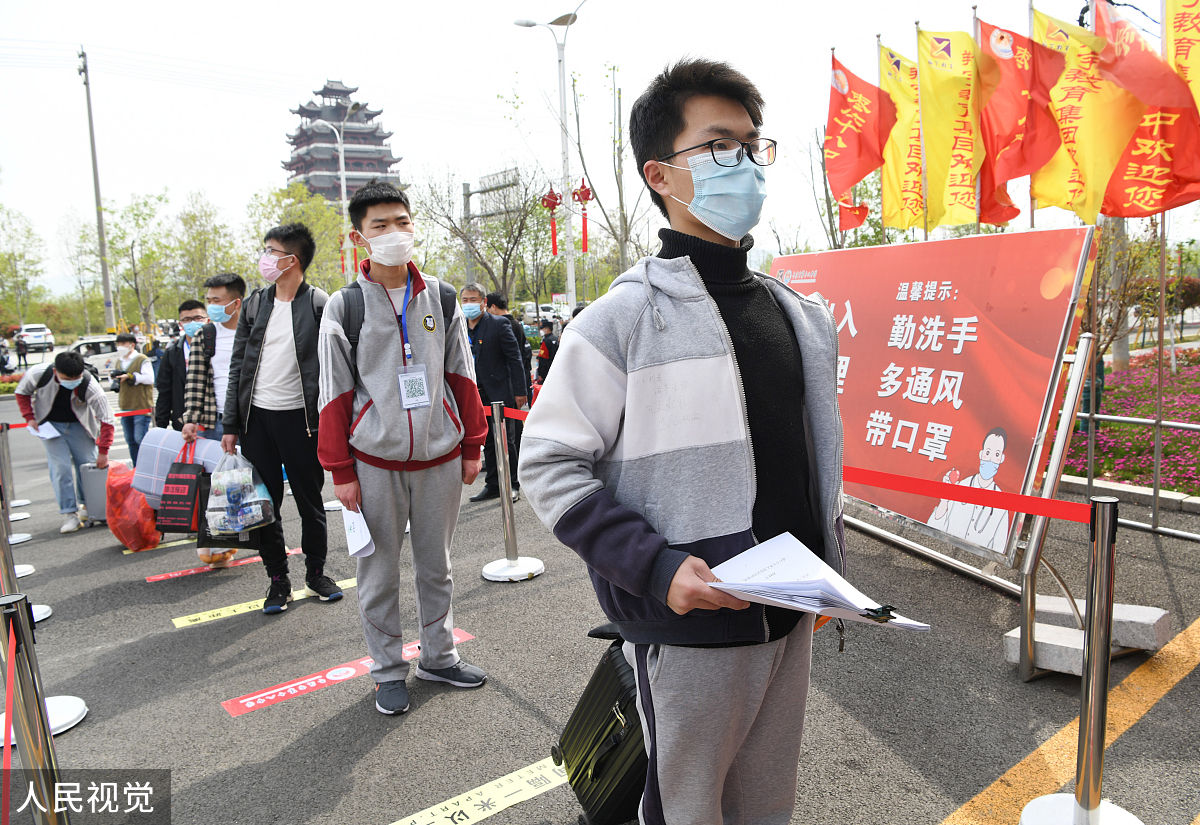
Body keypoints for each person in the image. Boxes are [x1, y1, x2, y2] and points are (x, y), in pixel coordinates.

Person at [519, 58, 847, 825]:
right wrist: (657, 567)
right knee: (683, 811)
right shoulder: (619, 320)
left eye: (753, 145)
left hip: (790, 615)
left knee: (766, 806)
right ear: (660, 173)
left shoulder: (799, 315)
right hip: (689, 629)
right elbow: (549, 462)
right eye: (721, 146)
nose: (747, 163)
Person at [318, 179, 489, 716]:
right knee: (379, 571)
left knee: (436, 566)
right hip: (374, 462)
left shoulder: (439, 296)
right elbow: (334, 395)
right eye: (381, 226)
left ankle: (438, 656)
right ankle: (387, 669)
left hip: (440, 455)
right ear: (358, 237)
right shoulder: (345, 308)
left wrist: (472, 443)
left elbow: (462, 374)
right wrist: (339, 470)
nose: (395, 233)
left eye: (402, 222)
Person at [222, 223, 339, 614]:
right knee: (263, 505)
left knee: (311, 503)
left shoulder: (319, 304)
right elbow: (239, 364)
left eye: (271, 251)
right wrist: (231, 425)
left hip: (303, 422)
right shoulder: (256, 303)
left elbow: (336, 368)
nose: (265, 258)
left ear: (292, 259)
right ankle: (277, 580)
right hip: (258, 421)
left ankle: (316, 573)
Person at [15, 351, 116, 534]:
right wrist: (29, 417)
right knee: (60, 469)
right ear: (55, 371)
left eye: (76, 377)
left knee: (88, 466)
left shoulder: (89, 384)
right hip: (50, 426)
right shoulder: (38, 374)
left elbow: (107, 419)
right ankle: (70, 514)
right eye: (66, 378)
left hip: (81, 425)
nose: (72, 381)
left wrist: (104, 451)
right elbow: (22, 393)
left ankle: (90, 507)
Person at [461, 283, 527, 503]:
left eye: (473, 299)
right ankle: (493, 484)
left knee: (505, 440)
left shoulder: (498, 325)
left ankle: (512, 484)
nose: (468, 304)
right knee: (486, 440)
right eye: (465, 300)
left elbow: (514, 358)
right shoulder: (459, 326)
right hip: (475, 395)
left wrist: (519, 391)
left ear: (484, 303)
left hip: (500, 392)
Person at [180, 273, 246, 443]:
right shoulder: (206, 334)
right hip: (215, 421)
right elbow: (195, 379)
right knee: (222, 469)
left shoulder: (254, 332)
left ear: (236, 303)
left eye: (216, 301)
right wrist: (190, 419)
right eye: (209, 301)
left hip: (252, 420)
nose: (211, 306)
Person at [927, 427, 1011, 553]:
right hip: (945, 552)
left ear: (1002, 458)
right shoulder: (961, 486)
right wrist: (945, 500)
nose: (990, 459)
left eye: (996, 454)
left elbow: (1000, 548)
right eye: (987, 453)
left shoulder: (1002, 504)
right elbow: (933, 527)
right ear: (981, 454)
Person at [155, 301, 207, 431]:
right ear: (181, 324)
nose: (193, 323)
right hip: (183, 422)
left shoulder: (220, 347)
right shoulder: (172, 353)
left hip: (215, 422)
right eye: (187, 319)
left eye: (198, 318)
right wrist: (161, 425)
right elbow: (164, 390)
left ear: (207, 319)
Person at [112, 332, 154, 465]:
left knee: (139, 439)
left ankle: (146, 466)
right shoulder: (119, 361)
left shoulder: (142, 359)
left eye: (123, 344)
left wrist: (131, 377)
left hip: (141, 406)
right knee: (130, 440)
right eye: (118, 344)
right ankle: (137, 467)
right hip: (125, 406)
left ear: (132, 345)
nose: (120, 347)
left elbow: (150, 379)